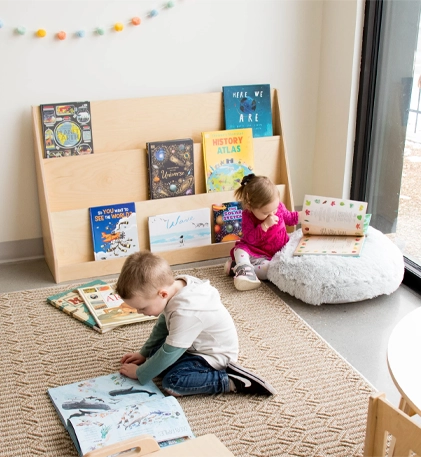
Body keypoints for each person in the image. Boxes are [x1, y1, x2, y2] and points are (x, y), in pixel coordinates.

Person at [115, 250, 276, 397]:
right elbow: (162, 327)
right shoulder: (177, 285)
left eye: (142, 308)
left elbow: (170, 352)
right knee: (155, 355)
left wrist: (141, 373)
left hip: (214, 356)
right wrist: (144, 354)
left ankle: (232, 381)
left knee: (173, 383)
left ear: (162, 294)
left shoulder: (186, 311)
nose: (139, 312)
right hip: (194, 346)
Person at [225, 174, 301, 291]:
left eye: (274, 209)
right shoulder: (248, 215)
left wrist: (304, 215)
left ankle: (242, 269)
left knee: (269, 270)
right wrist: (264, 225)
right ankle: (244, 269)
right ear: (250, 206)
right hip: (255, 251)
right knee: (239, 250)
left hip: (273, 255)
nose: (272, 214)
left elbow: (290, 218)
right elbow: (250, 238)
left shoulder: (278, 207)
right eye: (266, 213)